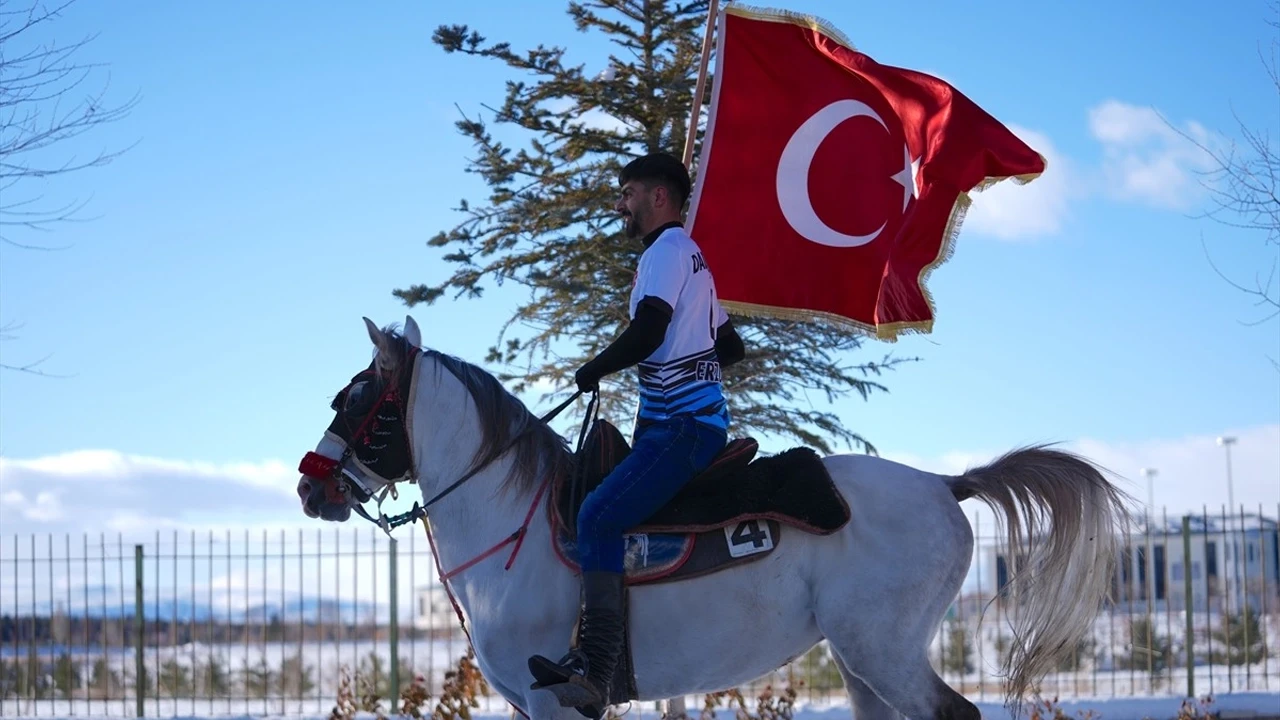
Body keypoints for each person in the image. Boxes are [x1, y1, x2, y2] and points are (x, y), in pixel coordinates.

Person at [527, 152, 746, 715]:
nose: (620, 204)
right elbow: (731, 348)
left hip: (680, 428)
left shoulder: (666, 252)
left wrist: (593, 368)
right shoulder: (692, 258)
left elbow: (648, 331)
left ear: (658, 198)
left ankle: (596, 670)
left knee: (597, 514)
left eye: (627, 193)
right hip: (686, 422)